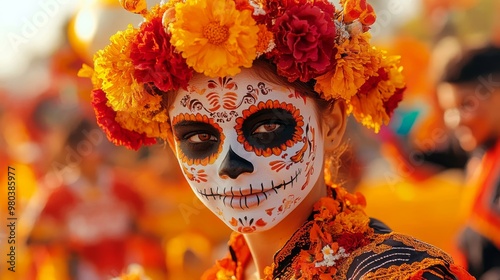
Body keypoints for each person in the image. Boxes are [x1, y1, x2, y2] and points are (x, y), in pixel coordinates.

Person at [79, 0, 474, 278]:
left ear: (332, 125)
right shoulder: (227, 272)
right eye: (199, 136)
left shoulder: (392, 274)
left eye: (267, 128)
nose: (229, 164)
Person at [437, 44, 500, 279]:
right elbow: (417, 161)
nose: (454, 121)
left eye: (466, 106)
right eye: (449, 109)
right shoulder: (480, 146)